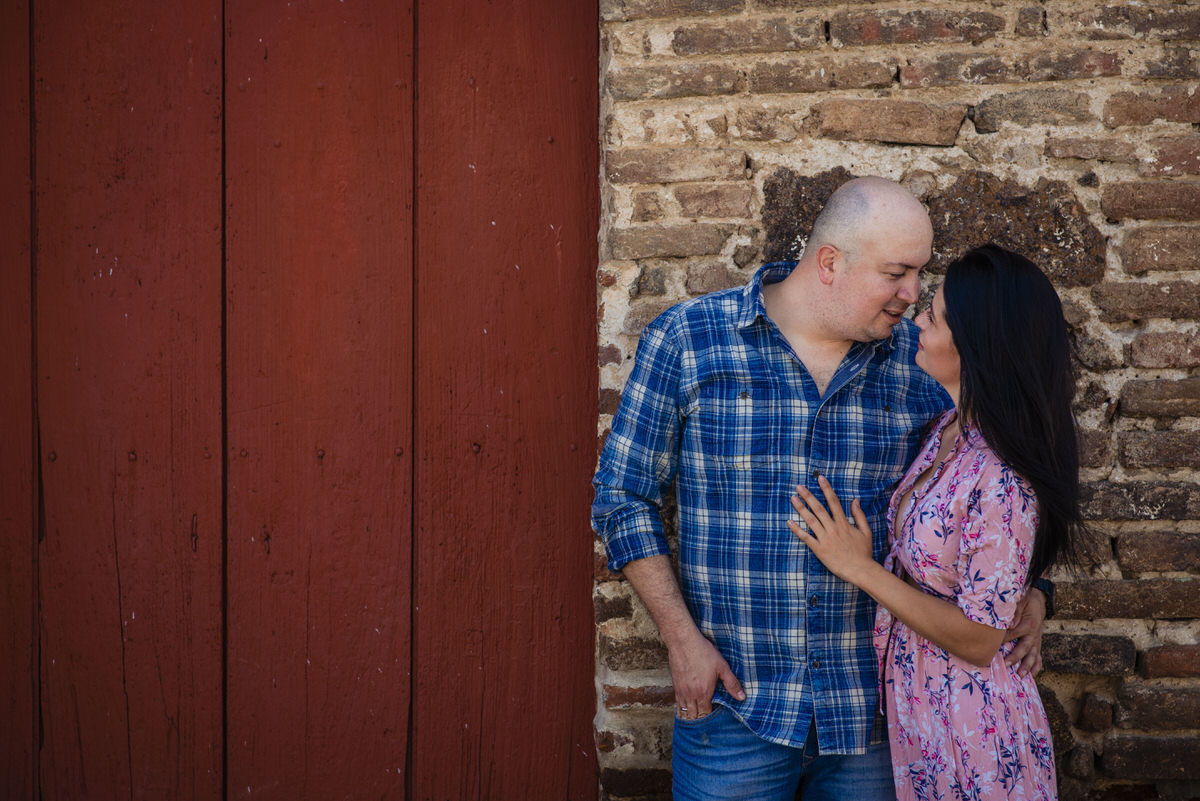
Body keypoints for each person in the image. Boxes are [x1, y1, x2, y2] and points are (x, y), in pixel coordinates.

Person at [592, 177, 1049, 800]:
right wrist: (682, 642)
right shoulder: (690, 340)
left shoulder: (924, 358)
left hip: (878, 717)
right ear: (829, 262)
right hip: (736, 703)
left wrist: (1034, 589)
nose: (913, 294)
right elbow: (622, 497)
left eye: (920, 274)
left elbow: (1007, 475)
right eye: (897, 273)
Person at [789, 244, 1084, 801]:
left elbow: (979, 638)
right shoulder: (949, 430)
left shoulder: (1002, 477)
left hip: (973, 730)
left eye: (935, 316)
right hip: (923, 717)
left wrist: (860, 568)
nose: (917, 320)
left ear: (976, 345)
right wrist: (1033, 591)